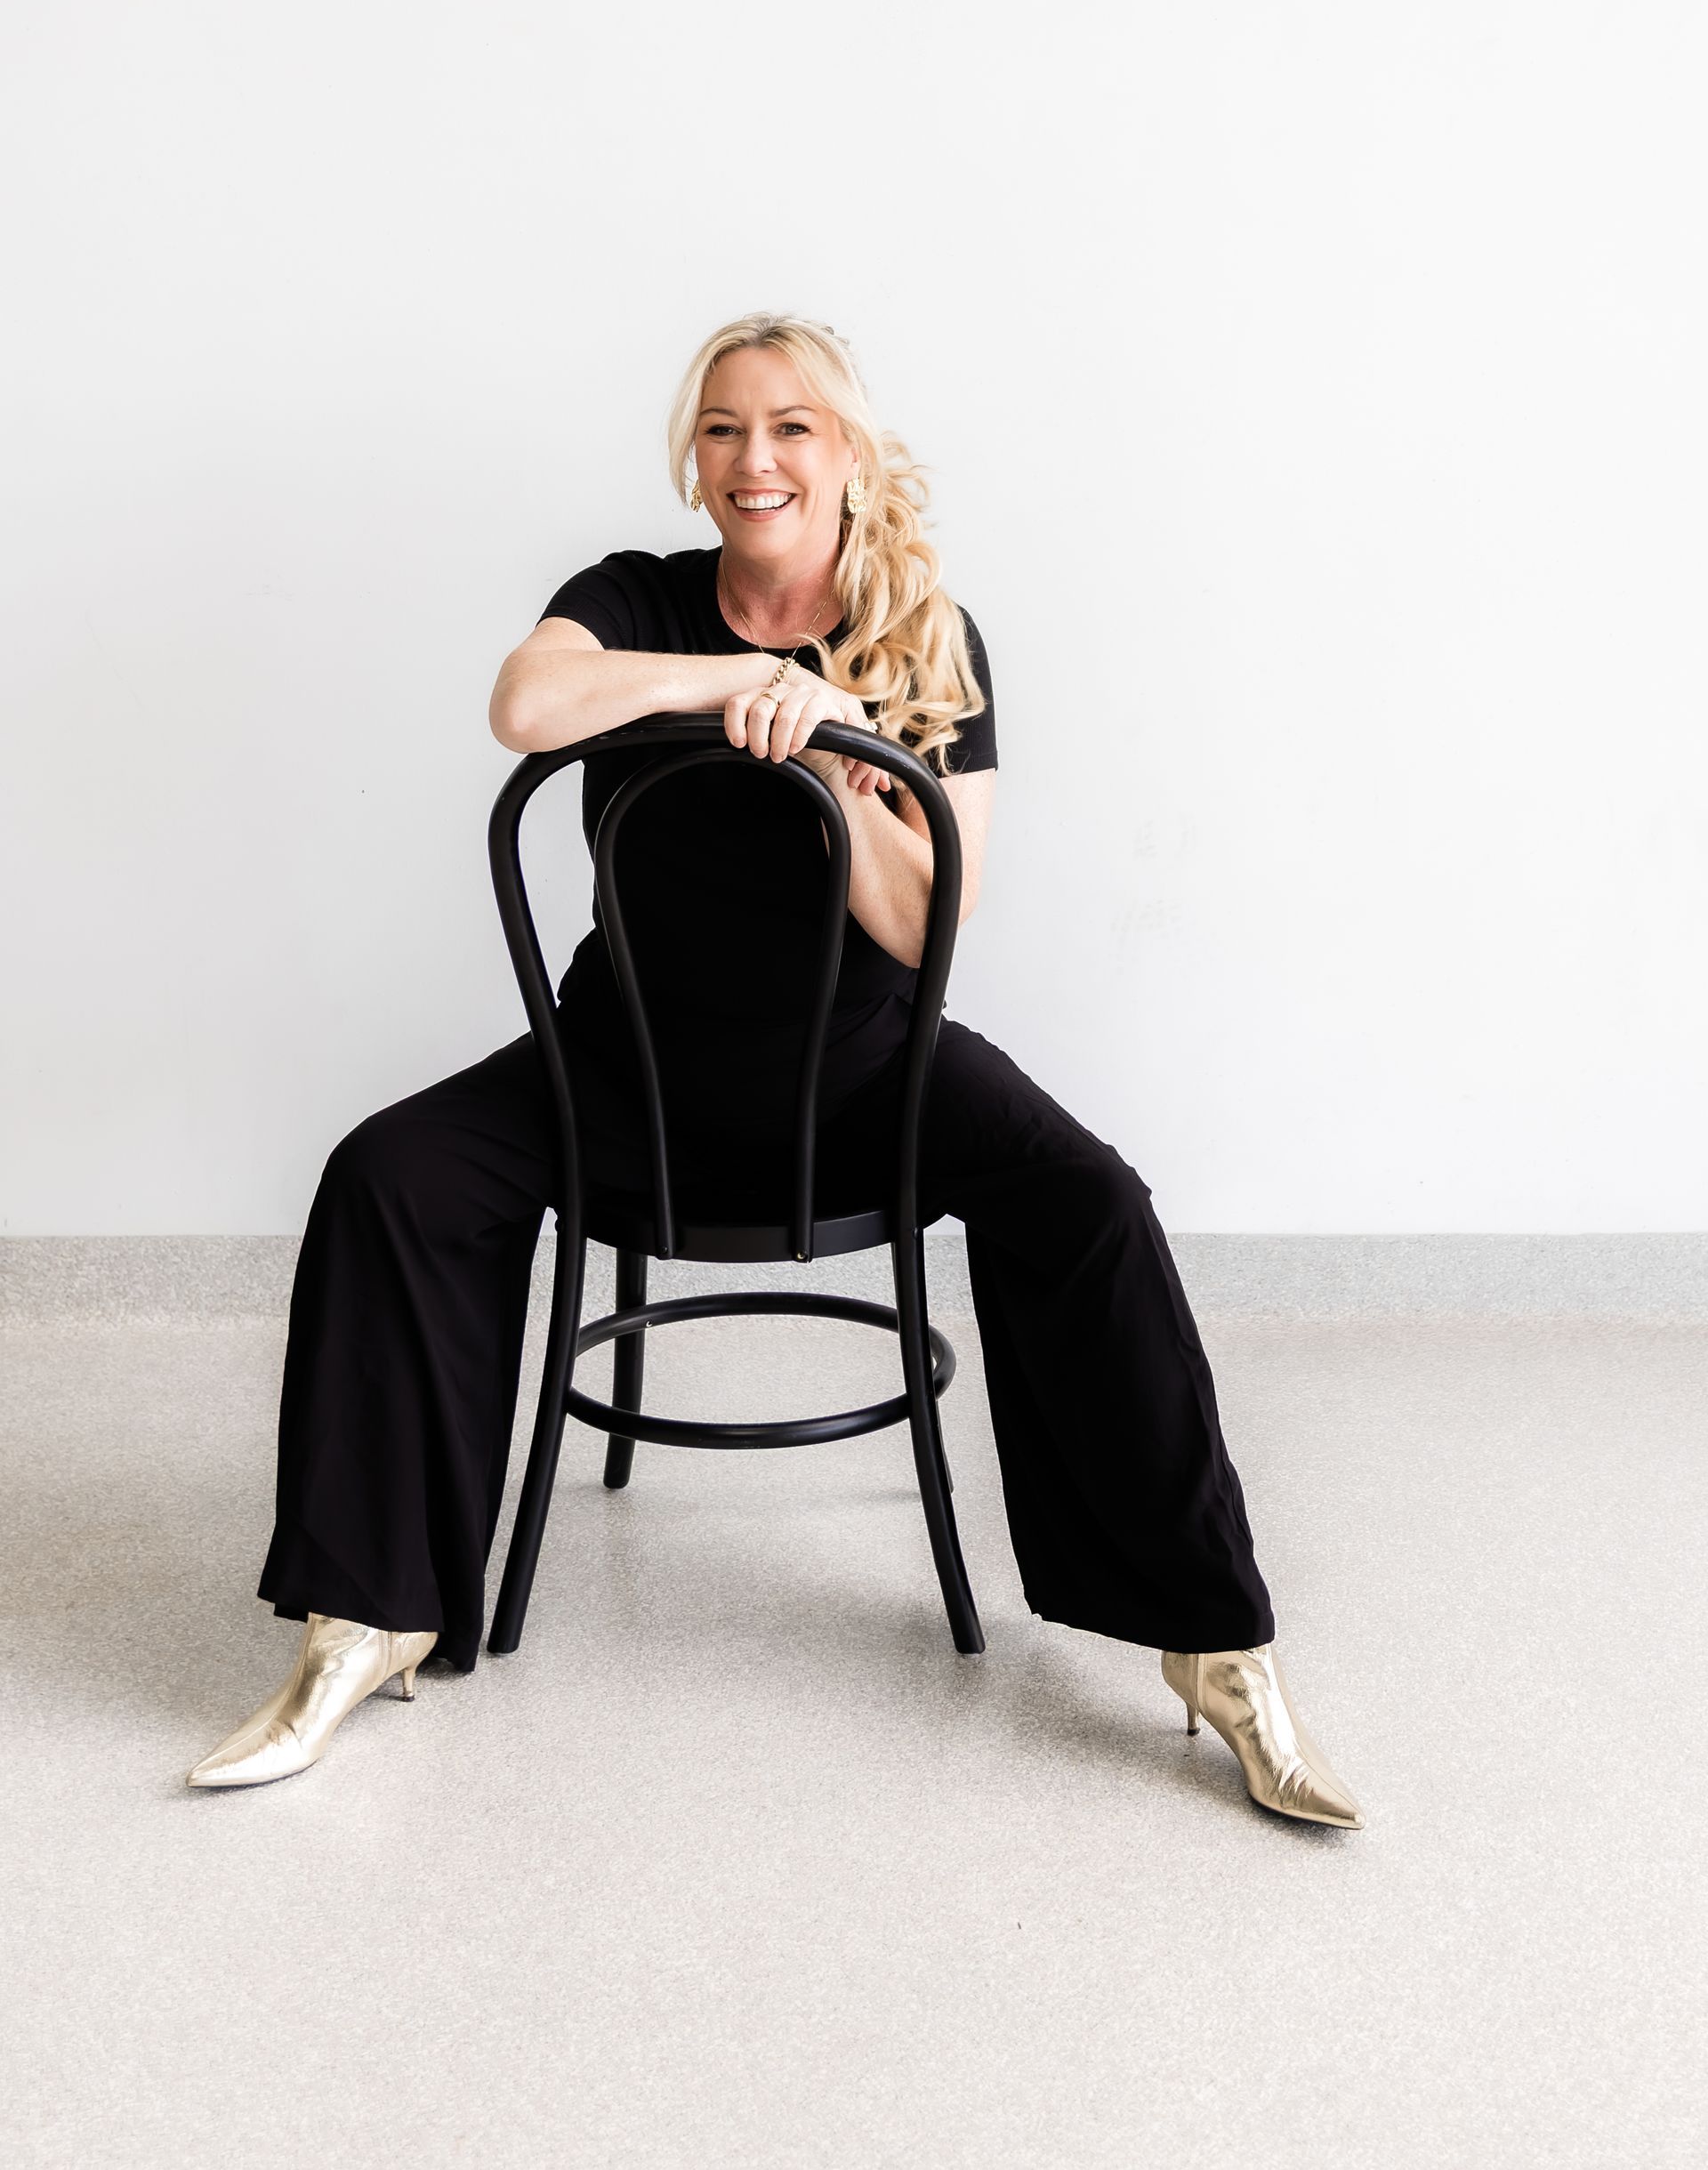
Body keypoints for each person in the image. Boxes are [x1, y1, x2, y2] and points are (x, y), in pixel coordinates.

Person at [187, 312, 1363, 1830]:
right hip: (623, 1077)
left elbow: (923, 916)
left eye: (793, 426)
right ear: (696, 461)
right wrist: (710, 682)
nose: (758, 458)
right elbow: (525, 708)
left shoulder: (930, 635)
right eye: (728, 429)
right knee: (386, 1177)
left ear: (850, 455)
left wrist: (834, 735)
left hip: (864, 1080)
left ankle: (1214, 1654)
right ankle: (371, 1618)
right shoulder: (633, 598)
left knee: (1092, 1203)